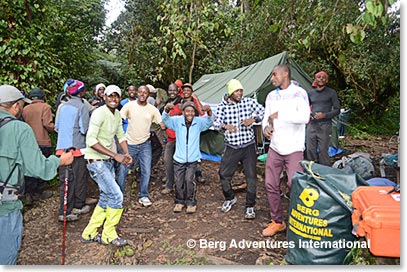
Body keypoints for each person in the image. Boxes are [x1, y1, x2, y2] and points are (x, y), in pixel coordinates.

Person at [0, 85, 73, 265]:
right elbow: (39, 168)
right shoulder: (19, 129)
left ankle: (32, 195)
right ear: (16, 106)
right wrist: (61, 161)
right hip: (5, 206)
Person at [80, 85, 132, 246]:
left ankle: (89, 232)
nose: (113, 99)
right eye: (110, 96)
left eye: (117, 96)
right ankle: (109, 235)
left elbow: (120, 135)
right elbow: (91, 141)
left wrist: (126, 153)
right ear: (104, 97)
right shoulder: (98, 113)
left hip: (107, 161)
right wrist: (115, 155)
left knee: (105, 196)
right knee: (117, 196)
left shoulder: (116, 114)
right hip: (96, 161)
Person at [261, 64, 310, 236]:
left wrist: (280, 115)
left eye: (275, 74)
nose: (272, 78)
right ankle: (277, 221)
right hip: (275, 146)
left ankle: (299, 221)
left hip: (294, 148)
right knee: (270, 183)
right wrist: (265, 128)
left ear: (285, 74)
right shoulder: (270, 96)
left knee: (294, 183)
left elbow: (305, 117)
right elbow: (266, 118)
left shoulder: (299, 93)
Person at [213, 79, 265, 219]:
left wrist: (253, 119)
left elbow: (263, 111)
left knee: (251, 177)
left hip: (248, 146)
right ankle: (230, 198)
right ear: (231, 92)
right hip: (232, 146)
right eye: (237, 91)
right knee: (224, 174)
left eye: (241, 90)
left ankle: (250, 206)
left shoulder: (248, 102)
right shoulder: (222, 107)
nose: (240, 93)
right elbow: (216, 123)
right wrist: (225, 126)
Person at [162, 101, 214, 213]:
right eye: (187, 111)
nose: (189, 113)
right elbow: (166, 121)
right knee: (178, 180)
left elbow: (210, 122)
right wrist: (166, 110)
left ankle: (191, 202)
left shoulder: (198, 122)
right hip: (179, 158)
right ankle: (179, 201)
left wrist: (209, 112)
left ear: (194, 112)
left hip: (192, 159)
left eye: (192, 111)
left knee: (189, 180)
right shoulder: (177, 121)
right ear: (183, 112)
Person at [118, 85, 164, 206]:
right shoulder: (128, 106)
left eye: (145, 92)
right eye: (140, 92)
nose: (142, 94)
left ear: (148, 95)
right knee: (123, 169)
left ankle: (143, 195)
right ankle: (119, 195)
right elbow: (118, 120)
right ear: (137, 93)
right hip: (129, 144)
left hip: (145, 144)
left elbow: (161, 123)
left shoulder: (152, 109)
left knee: (146, 170)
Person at [55, 79, 91, 222]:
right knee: (79, 178)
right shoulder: (82, 107)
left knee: (65, 180)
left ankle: (64, 209)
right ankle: (77, 205)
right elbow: (84, 129)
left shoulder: (62, 107)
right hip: (76, 149)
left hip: (62, 150)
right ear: (80, 92)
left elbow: (57, 127)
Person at [21, 87, 55, 205]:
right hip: (43, 142)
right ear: (42, 96)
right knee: (43, 167)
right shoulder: (45, 107)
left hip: (28, 143)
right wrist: (55, 129)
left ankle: (29, 195)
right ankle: (39, 193)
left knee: (30, 168)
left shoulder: (25, 108)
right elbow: (47, 124)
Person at [306, 71, 340, 166]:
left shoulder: (331, 93)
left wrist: (324, 115)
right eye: (319, 77)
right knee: (310, 149)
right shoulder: (310, 93)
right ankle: (312, 170)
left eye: (323, 77)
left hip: (325, 125)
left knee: (323, 150)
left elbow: (337, 110)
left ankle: (325, 172)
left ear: (327, 80)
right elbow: (305, 107)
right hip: (312, 124)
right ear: (315, 79)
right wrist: (308, 114)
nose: (321, 79)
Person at [161, 83, 184, 194]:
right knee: (167, 161)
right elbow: (163, 118)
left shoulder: (182, 102)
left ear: (178, 90)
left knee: (181, 163)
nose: (172, 92)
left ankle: (182, 186)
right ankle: (169, 185)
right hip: (170, 138)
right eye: (170, 90)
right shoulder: (167, 104)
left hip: (181, 138)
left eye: (174, 90)